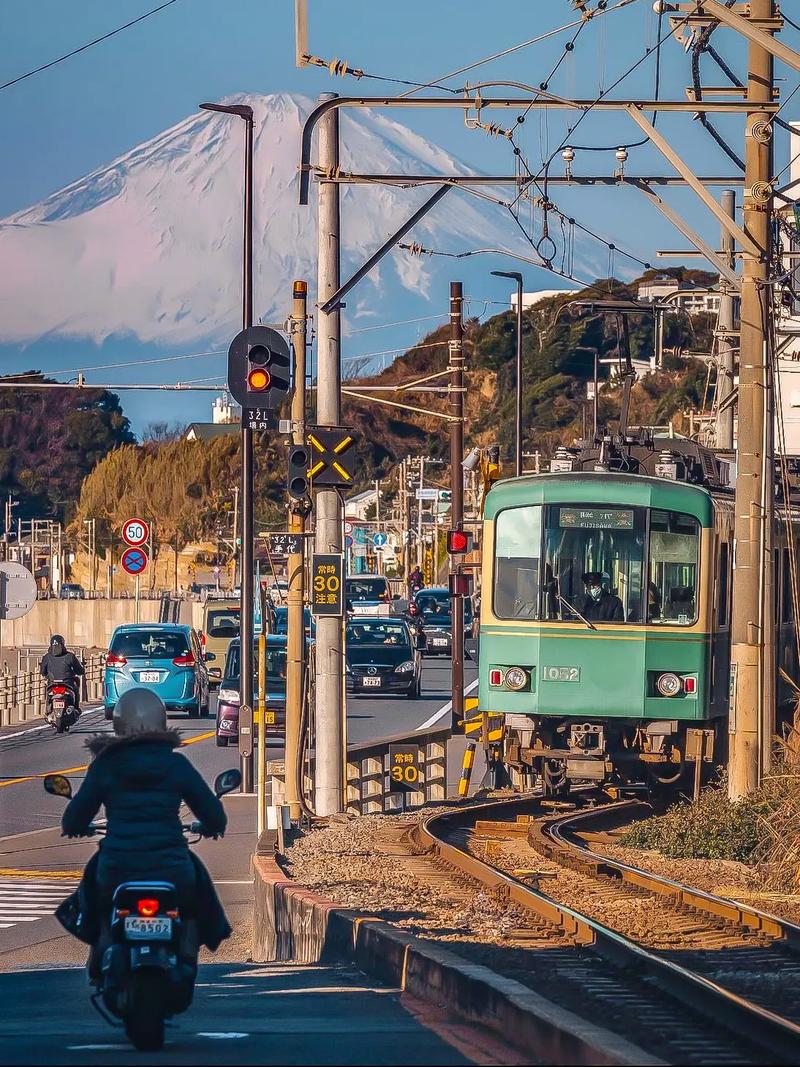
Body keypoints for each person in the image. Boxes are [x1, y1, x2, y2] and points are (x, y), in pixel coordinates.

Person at [58, 689, 230, 981]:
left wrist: (75, 827)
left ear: (118, 723)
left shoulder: (106, 765)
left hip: (117, 866)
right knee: (198, 891)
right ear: (162, 723)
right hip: (172, 865)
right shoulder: (176, 764)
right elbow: (213, 814)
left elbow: (75, 817)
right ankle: (190, 952)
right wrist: (211, 826)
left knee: (92, 894)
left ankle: (99, 948)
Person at [40, 634, 85, 709]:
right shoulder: (70, 656)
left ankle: (48, 708)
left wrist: (47, 675)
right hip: (67, 683)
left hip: (52, 683)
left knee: (48, 693)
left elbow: (42, 672)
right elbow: (79, 670)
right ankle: (76, 707)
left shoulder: (47, 657)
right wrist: (79, 672)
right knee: (76, 689)